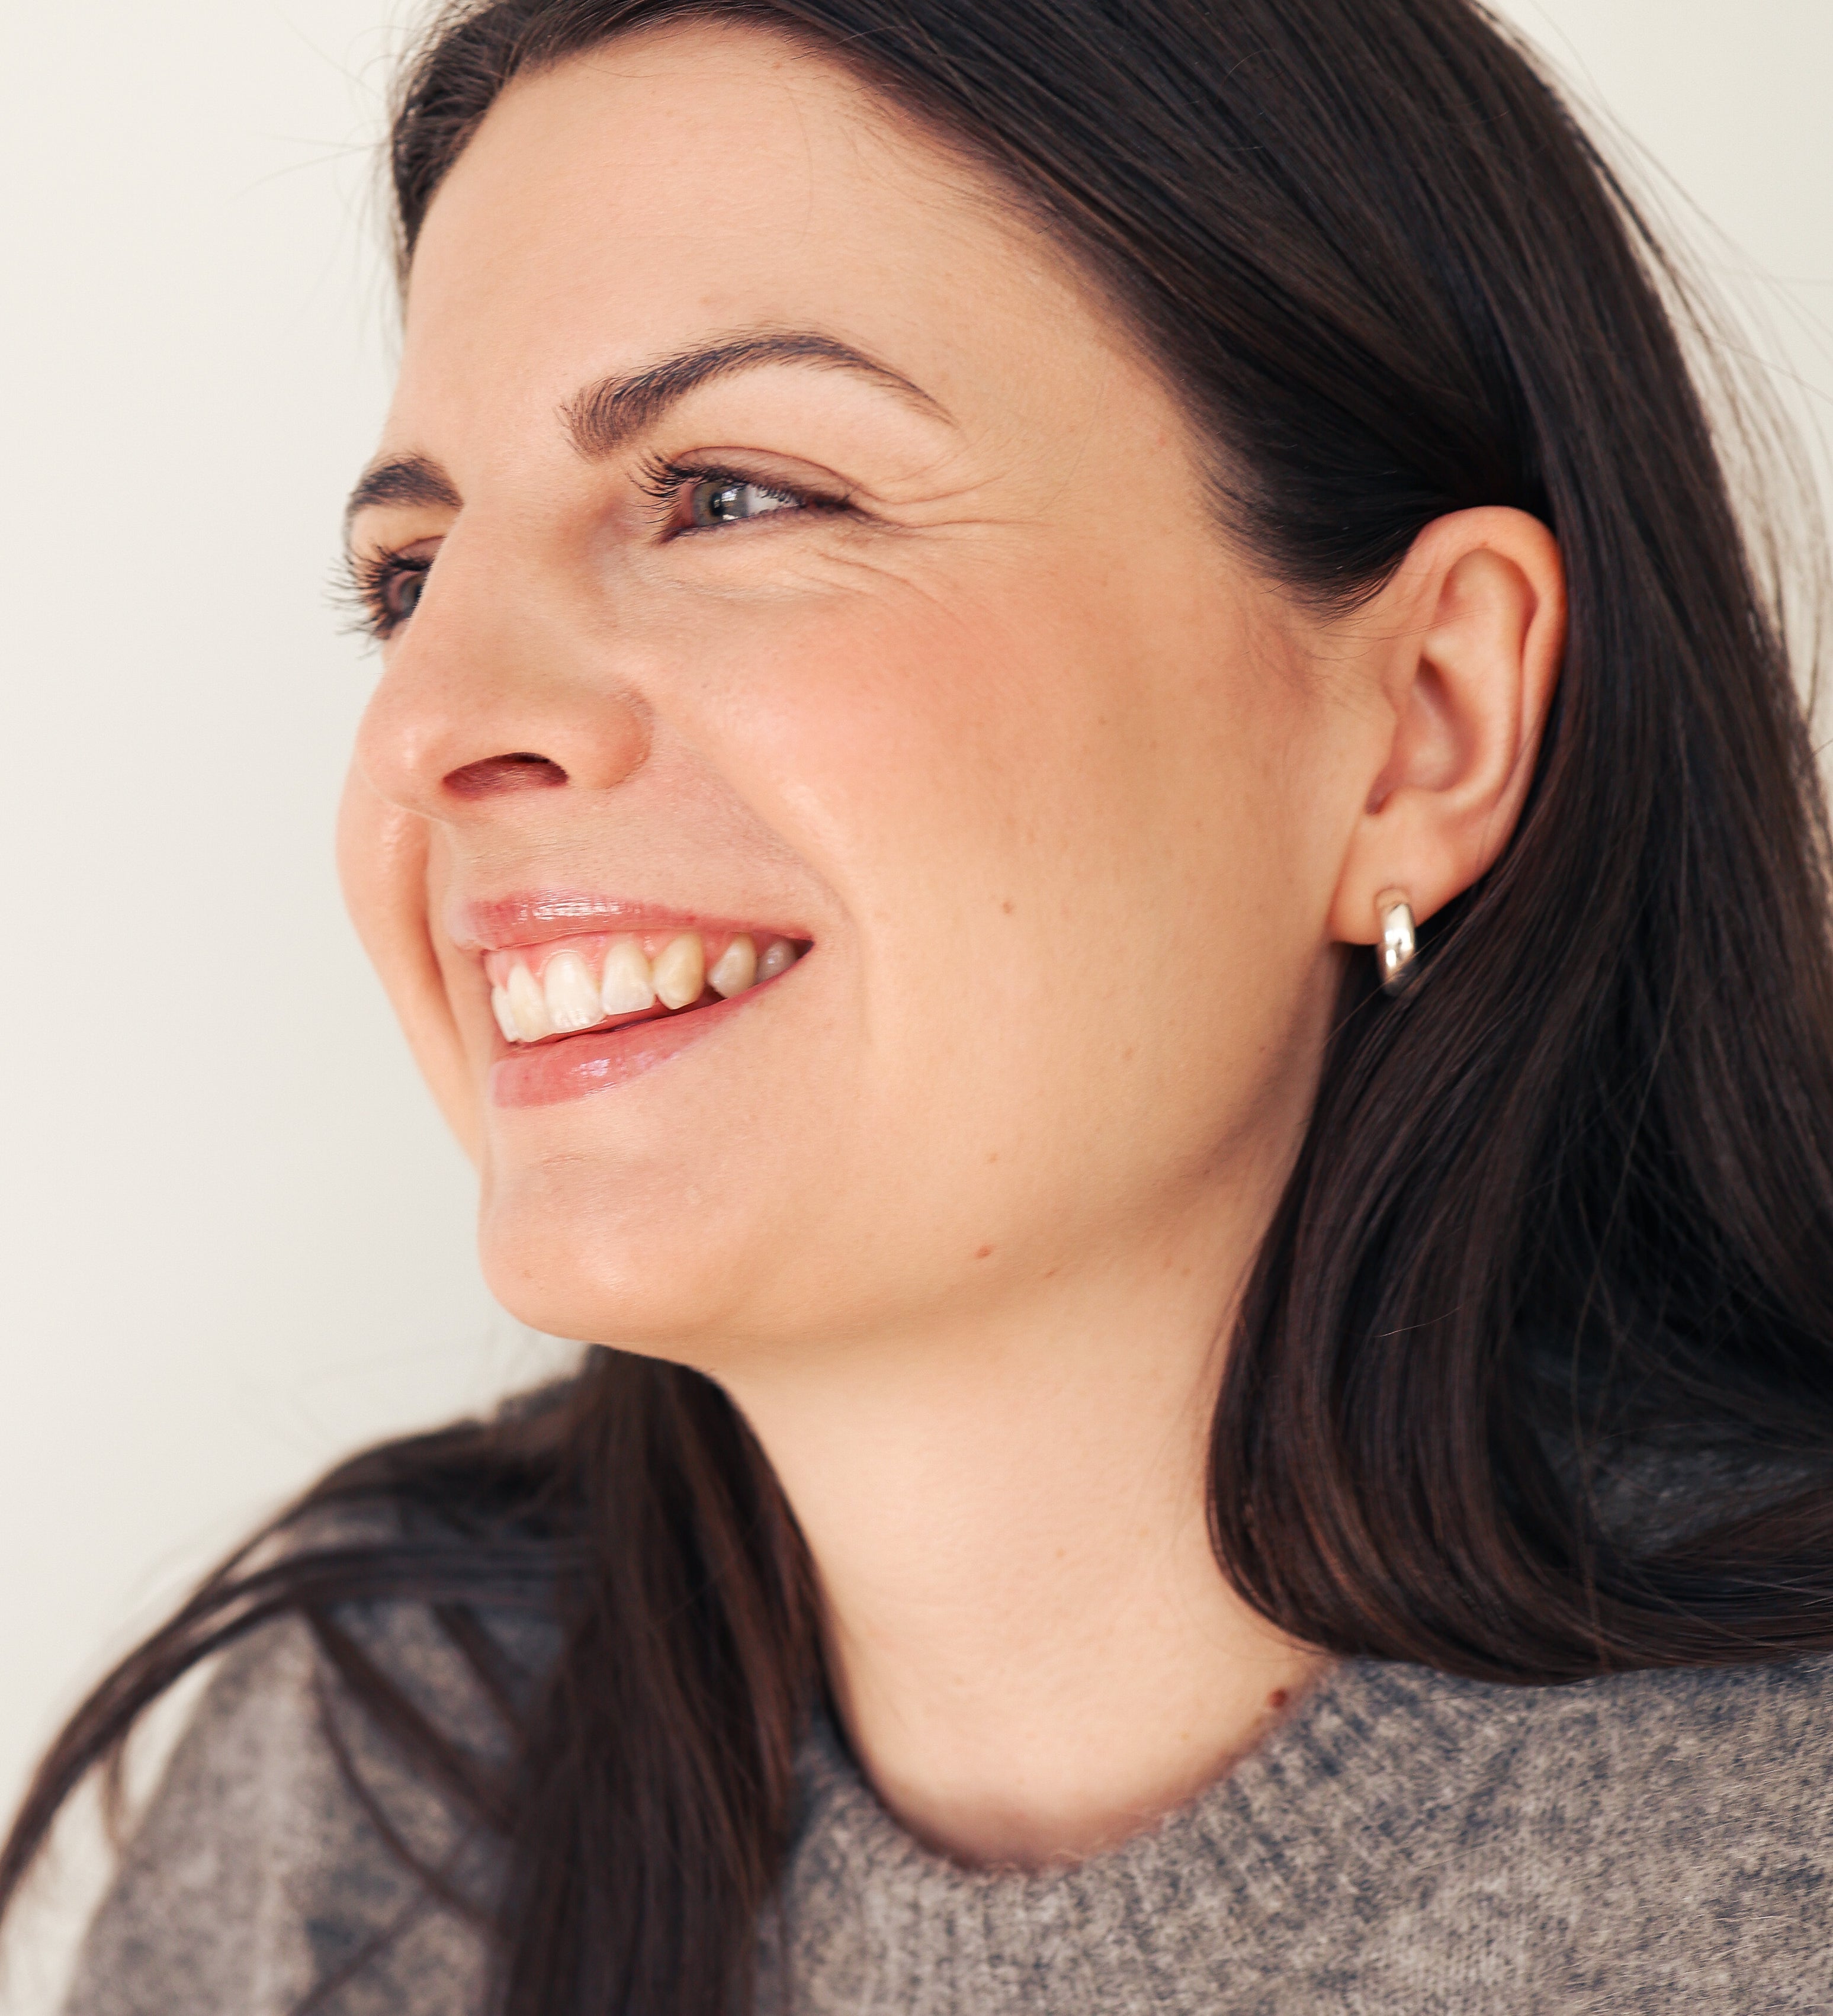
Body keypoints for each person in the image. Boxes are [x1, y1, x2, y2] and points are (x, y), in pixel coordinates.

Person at [6, 0, 1832, 2009]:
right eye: (410, 575)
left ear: (1420, 727)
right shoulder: (360, 1791)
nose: (431, 727)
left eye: (733, 494)